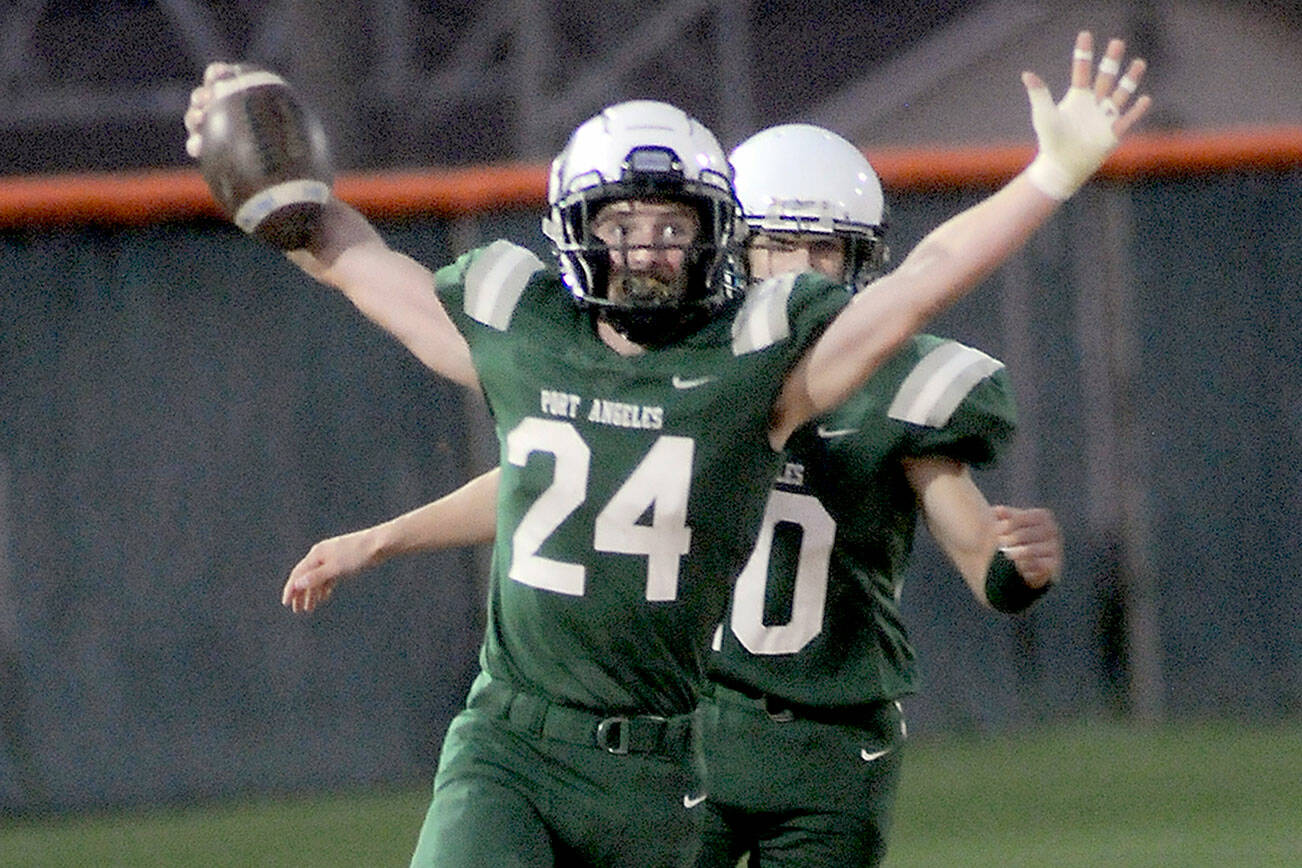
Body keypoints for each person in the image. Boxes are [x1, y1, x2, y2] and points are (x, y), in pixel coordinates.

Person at [187, 30, 1148, 867]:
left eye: (671, 226)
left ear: (713, 237)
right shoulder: (525, 330)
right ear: (576, 229)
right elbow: (368, 271)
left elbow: (918, 287)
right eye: (621, 224)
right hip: (510, 742)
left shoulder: (751, 370)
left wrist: (1049, 176)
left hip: (659, 772)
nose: (646, 249)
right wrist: (279, 191)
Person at [693, 123, 1063, 867]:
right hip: (697, 718)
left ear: (861, 262)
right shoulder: (688, 366)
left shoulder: (901, 384)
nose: (801, 272)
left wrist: (1015, 563)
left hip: (834, 737)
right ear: (733, 250)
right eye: (778, 245)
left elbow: (981, 558)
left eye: (824, 249)